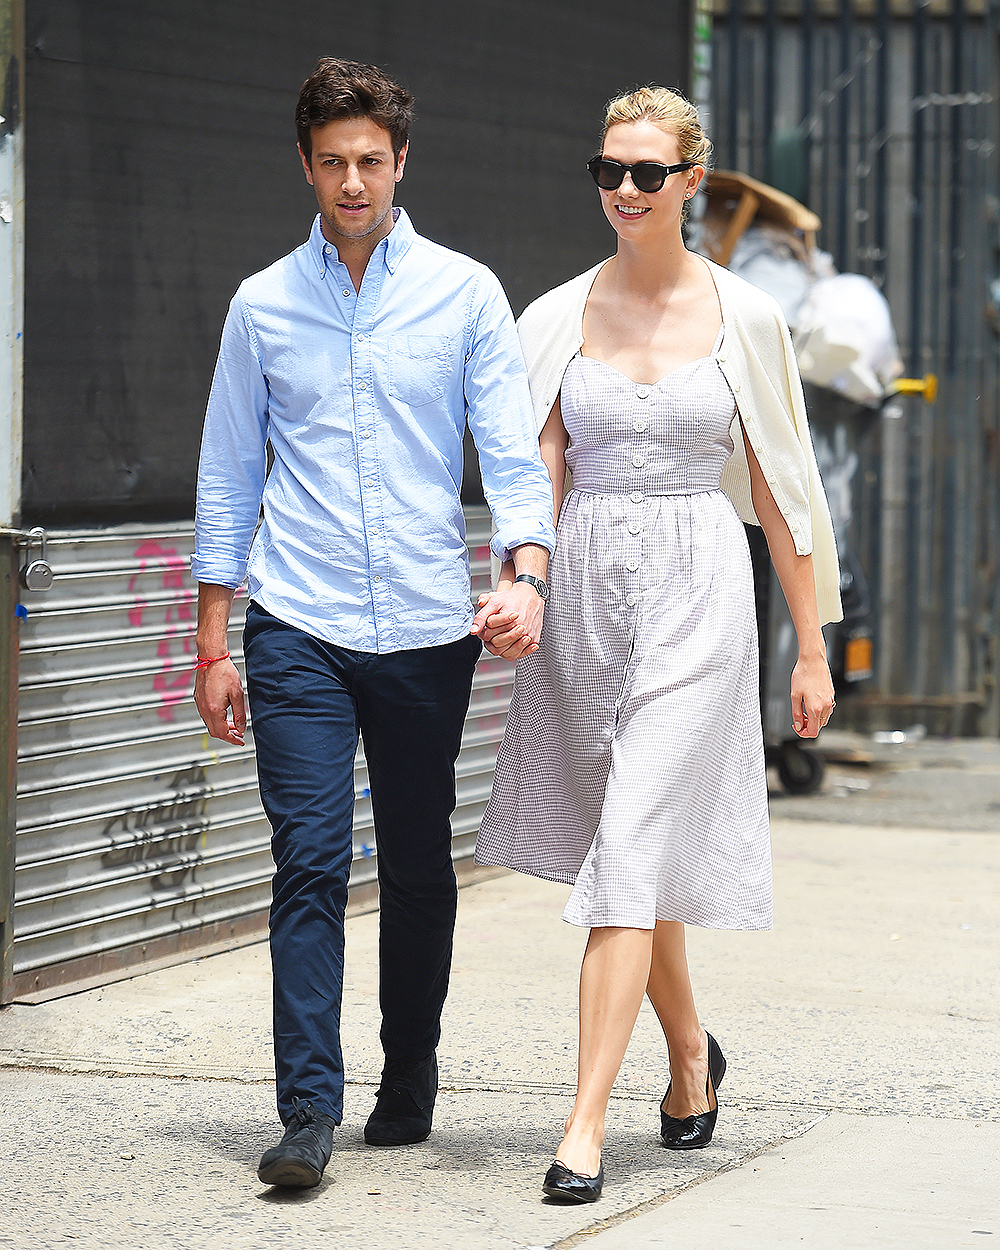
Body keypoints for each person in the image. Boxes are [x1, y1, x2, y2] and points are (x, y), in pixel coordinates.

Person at [192, 57, 555, 1190]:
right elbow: (225, 477)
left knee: (414, 858)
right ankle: (307, 1107)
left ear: (402, 161)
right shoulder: (262, 303)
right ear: (304, 165)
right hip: (296, 619)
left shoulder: (463, 291)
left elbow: (510, 453)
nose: (353, 181)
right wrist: (215, 640)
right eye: (333, 162)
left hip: (423, 622)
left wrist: (526, 573)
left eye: (371, 161)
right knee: (307, 854)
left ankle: (411, 1064)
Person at [476, 86, 841, 1204]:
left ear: (691, 179)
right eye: (608, 171)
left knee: (629, 851)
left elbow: (784, 490)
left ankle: (582, 1124)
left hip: (698, 587)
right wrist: (522, 583)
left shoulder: (747, 318)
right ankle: (690, 1056)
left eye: (645, 173)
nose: (623, 192)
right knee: (626, 852)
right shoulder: (551, 316)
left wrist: (813, 647)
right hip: (584, 594)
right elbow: (535, 473)